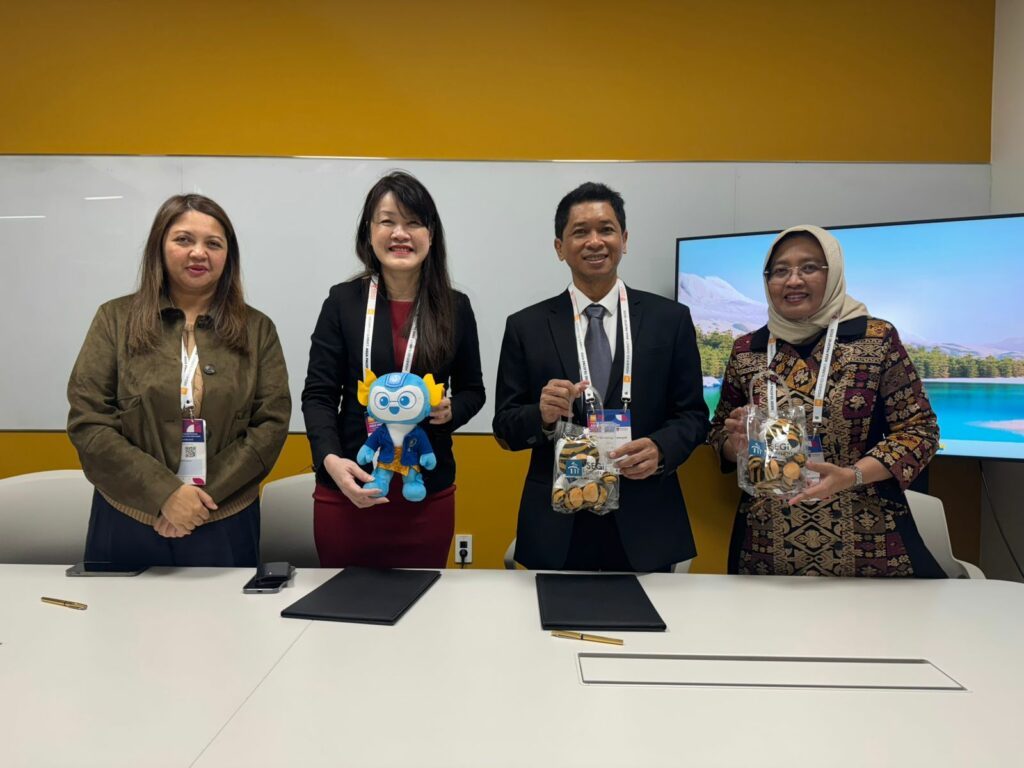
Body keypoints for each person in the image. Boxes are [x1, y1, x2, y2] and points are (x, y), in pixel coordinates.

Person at [493, 182, 709, 572]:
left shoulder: (669, 320)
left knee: (652, 616)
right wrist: (542, 417)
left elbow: (693, 415)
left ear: (624, 239)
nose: (595, 241)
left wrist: (661, 449)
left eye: (606, 229)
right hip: (558, 524)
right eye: (580, 232)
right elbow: (505, 428)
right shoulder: (526, 326)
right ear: (559, 247)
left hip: (646, 521)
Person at [67, 194, 291, 567]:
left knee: (224, 609)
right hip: (127, 516)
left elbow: (270, 425)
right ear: (160, 246)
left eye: (213, 244)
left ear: (228, 256)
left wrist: (195, 500)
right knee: (115, 609)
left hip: (223, 518)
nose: (198, 253)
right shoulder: (114, 319)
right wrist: (164, 494)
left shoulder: (257, 329)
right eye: (184, 239)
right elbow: (89, 421)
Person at [708, 224, 943, 577]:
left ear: (832, 273)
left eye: (809, 267)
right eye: (780, 271)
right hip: (766, 544)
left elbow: (921, 431)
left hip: (870, 543)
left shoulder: (875, 339)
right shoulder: (748, 350)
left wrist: (853, 474)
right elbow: (719, 431)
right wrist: (735, 445)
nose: (793, 280)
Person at [302, 171, 485, 568]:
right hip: (350, 487)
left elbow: (474, 390)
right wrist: (330, 460)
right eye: (388, 221)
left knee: (424, 601)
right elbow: (318, 395)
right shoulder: (342, 302)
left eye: (413, 222)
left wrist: (452, 410)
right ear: (369, 232)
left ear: (431, 234)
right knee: (341, 600)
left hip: (426, 493)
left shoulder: (455, 307)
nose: (400, 233)